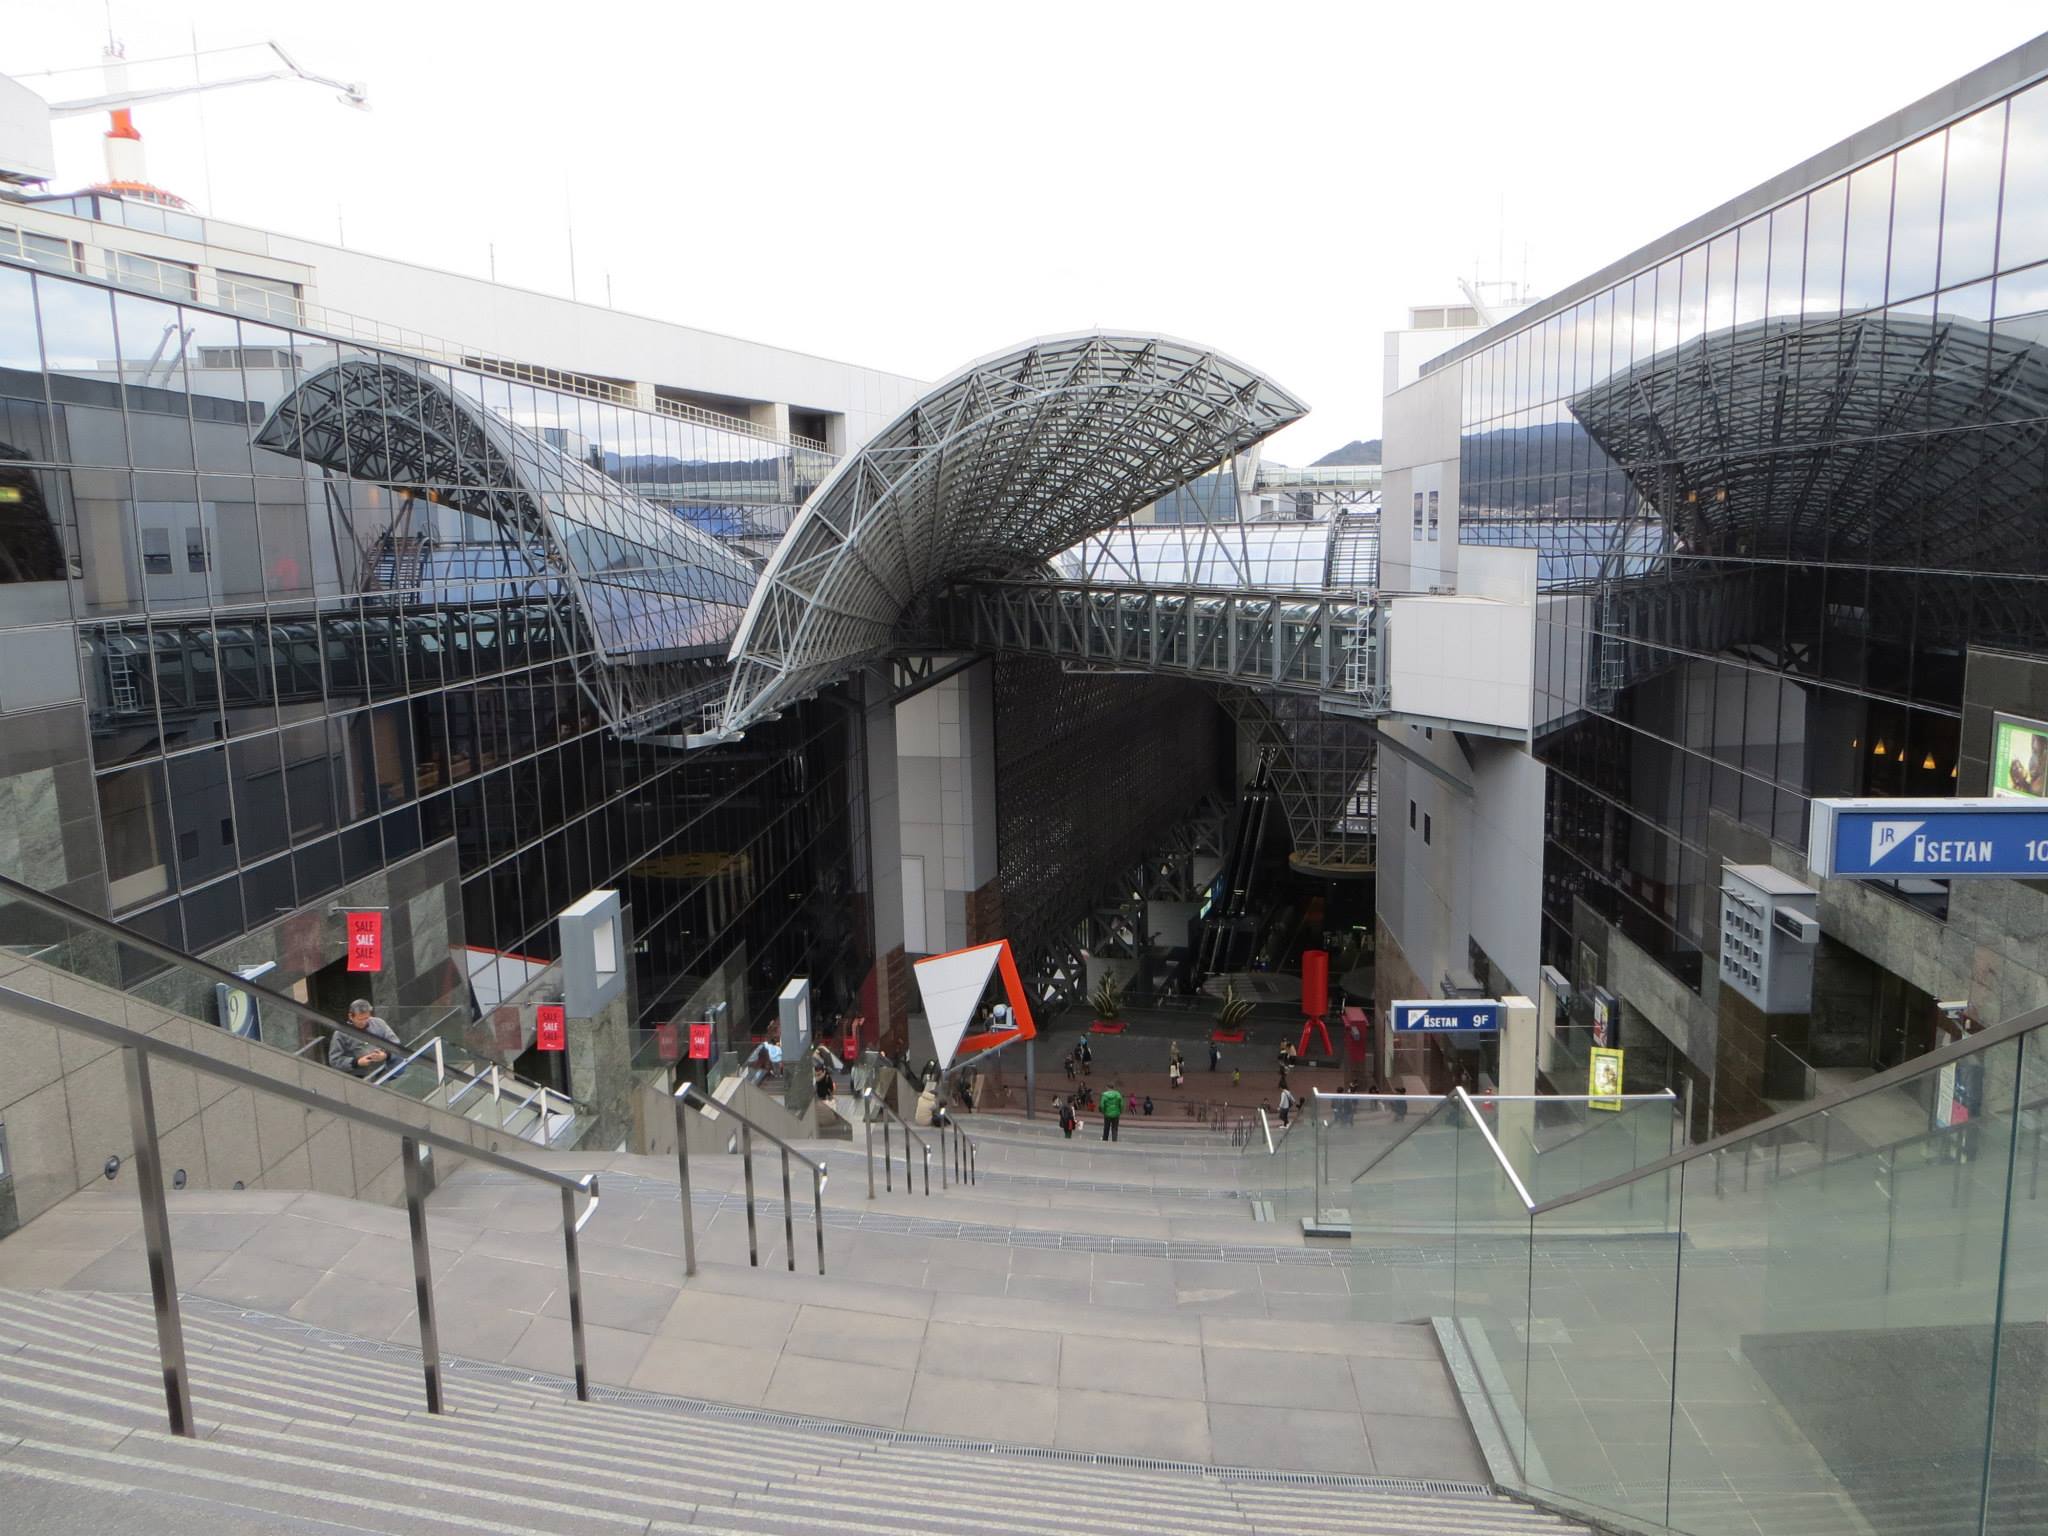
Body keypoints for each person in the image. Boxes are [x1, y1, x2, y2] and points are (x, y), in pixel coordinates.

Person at [328, 999, 399, 1077]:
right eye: (360, 1019)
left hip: (382, 1073)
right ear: (350, 1016)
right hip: (357, 1077)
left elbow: (396, 1044)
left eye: (366, 1018)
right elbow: (334, 1060)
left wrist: (386, 1055)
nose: (363, 1022)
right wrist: (356, 1062)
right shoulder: (340, 1033)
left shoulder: (379, 1023)